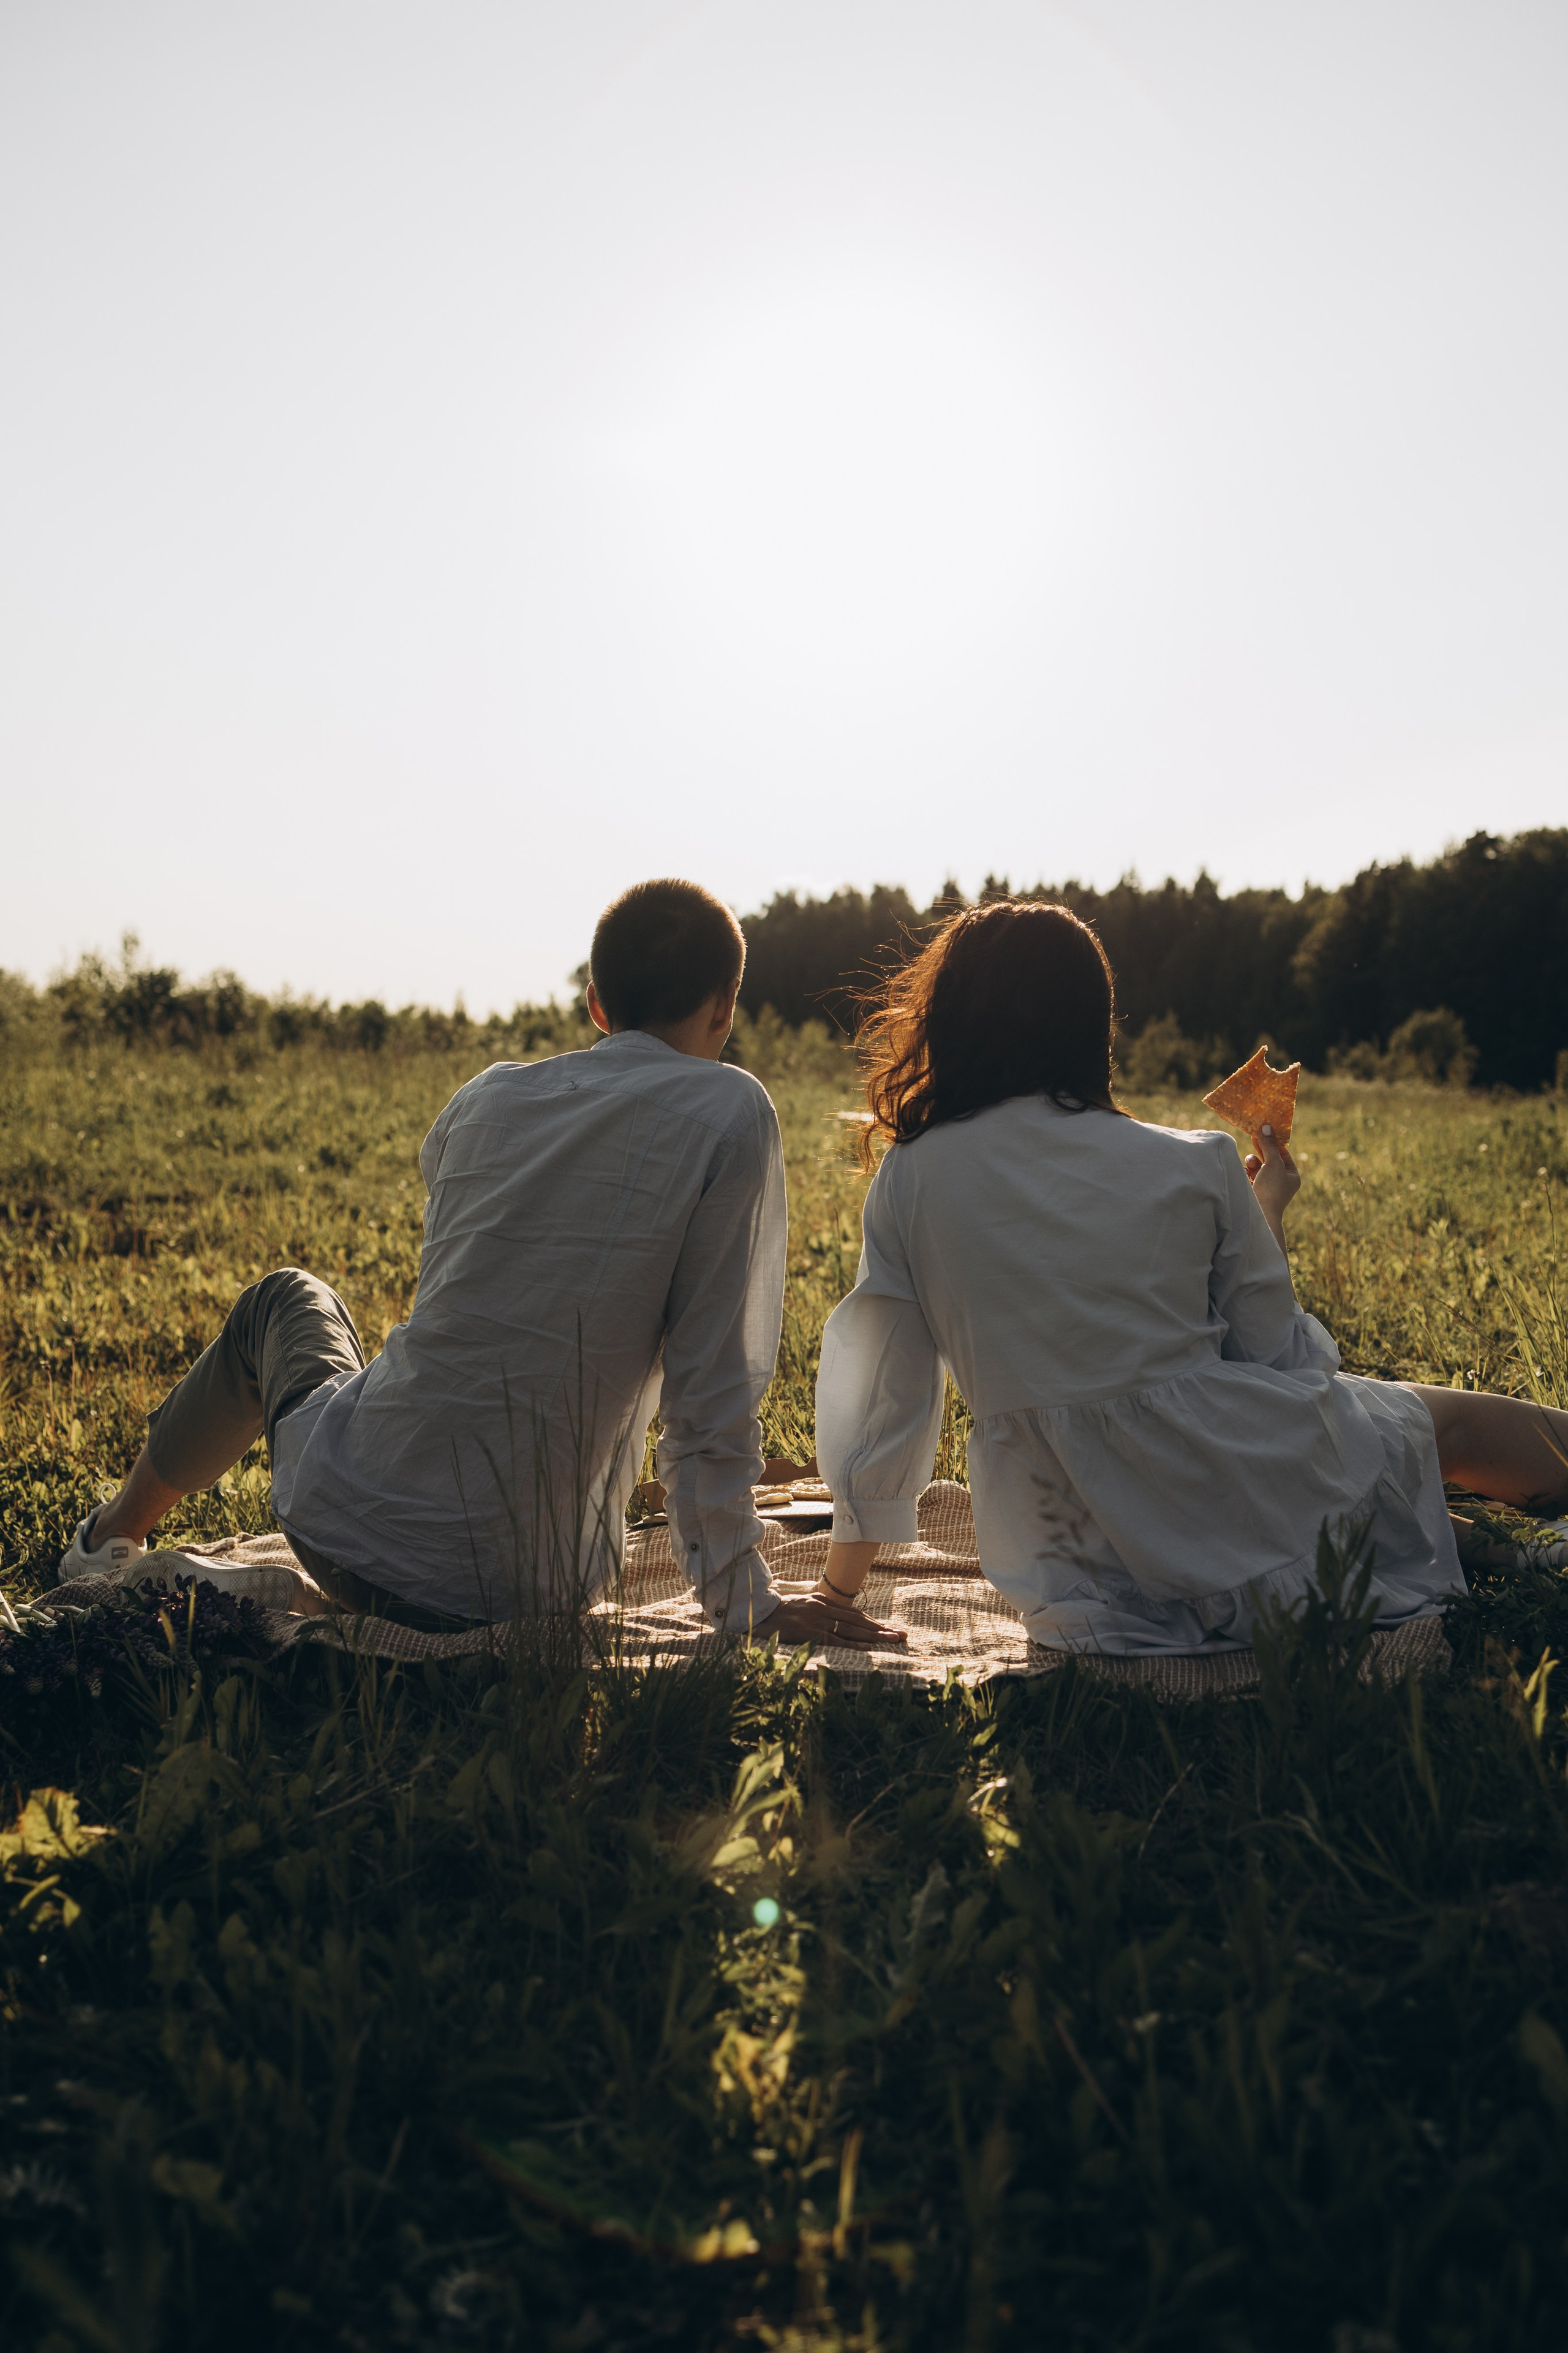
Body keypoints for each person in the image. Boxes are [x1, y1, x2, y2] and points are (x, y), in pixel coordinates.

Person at [59, 879, 902, 1652]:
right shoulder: (731, 1110)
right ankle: (114, 1544)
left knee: (286, 1299)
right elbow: (711, 1398)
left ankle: (106, 1540)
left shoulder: (487, 1095)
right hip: (534, 1587)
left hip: (343, 1529)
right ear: (725, 1008)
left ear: (595, 1005)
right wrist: (747, 1610)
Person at [807, 898, 1568, 1656]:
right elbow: (1285, 1366)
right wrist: (1267, 1209)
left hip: (1076, 1571)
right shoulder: (1195, 1159)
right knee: (1426, 1421)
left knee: (1370, 1448)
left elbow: (885, 1393)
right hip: (1249, 1540)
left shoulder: (911, 1174)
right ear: (1092, 1028)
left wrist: (836, 1589)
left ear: (949, 1019)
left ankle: (1506, 1552)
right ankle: (1502, 1542)